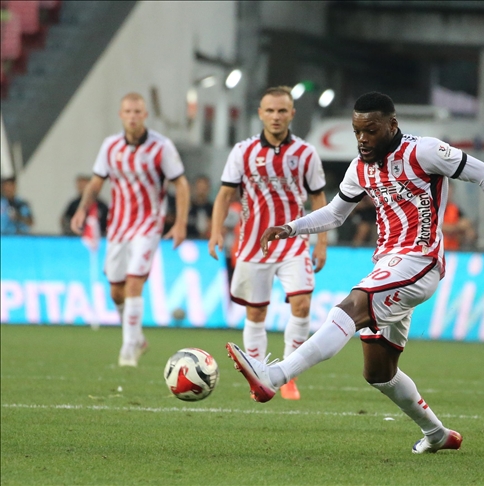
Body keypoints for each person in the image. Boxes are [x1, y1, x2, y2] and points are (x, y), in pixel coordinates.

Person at [225, 92, 484, 453]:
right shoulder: (359, 167)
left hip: (420, 261)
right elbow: (335, 214)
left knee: (352, 305)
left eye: (371, 130)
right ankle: (437, 434)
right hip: (387, 265)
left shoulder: (424, 151)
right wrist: (291, 227)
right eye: (357, 131)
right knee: (379, 373)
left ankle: (274, 376)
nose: (363, 139)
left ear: (392, 125)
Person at [209, 86, 329, 401]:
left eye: (282, 111)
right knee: (256, 313)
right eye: (270, 111)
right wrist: (215, 231)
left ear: (292, 114)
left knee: (302, 304)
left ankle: (288, 374)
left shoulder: (305, 153)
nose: (276, 116)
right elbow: (224, 194)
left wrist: (322, 242)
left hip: (294, 242)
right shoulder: (243, 151)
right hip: (253, 245)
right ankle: (258, 374)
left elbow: (319, 198)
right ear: (260, 113)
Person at [71, 92, 190, 367]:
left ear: (145, 115)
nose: (133, 117)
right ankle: (138, 338)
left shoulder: (162, 147)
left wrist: (180, 223)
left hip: (149, 224)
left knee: (134, 282)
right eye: (128, 112)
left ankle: (128, 348)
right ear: (121, 115)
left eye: (137, 112)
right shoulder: (110, 146)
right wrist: (81, 209)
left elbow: (181, 184)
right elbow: (96, 182)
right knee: (116, 291)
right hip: (118, 225)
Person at [187, 175, 213, 239]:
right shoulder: (187, 207)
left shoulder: (213, 208)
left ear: (208, 189)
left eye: (204, 189)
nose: (201, 191)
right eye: (199, 188)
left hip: (205, 240)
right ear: (194, 188)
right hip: (187, 240)